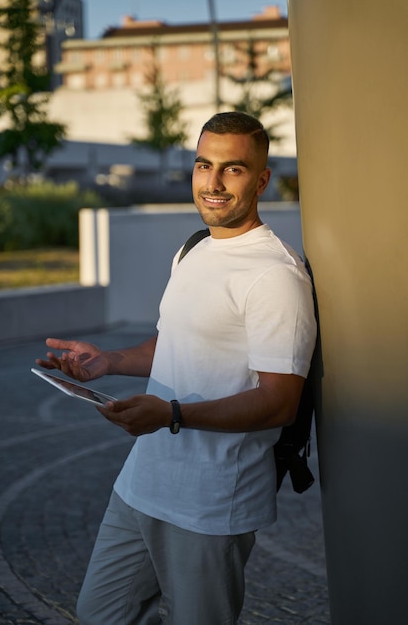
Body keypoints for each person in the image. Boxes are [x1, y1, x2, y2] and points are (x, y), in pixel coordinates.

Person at [36, 111, 317, 625]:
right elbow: (171, 343)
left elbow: (281, 401)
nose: (212, 183)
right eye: (203, 164)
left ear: (261, 179)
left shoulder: (276, 275)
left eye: (232, 169)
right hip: (143, 482)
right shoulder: (193, 248)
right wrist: (109, 361)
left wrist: (172, 413)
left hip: (212, 502)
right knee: (100, 613)